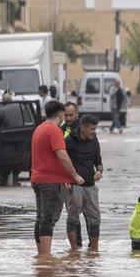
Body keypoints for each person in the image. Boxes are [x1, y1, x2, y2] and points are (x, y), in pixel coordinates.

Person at [30, 101, 84, 255]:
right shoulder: (54, 130)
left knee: (41, 218)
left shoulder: (39, 128)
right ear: (60, 114)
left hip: (37, 179)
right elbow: (62, 155)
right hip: (50, 181)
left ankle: (41, 255)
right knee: (48, 218)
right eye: (64, 114)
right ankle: (46, 257)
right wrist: (74, 175)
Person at [64, 114, 103, 251]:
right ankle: (74, 251)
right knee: (73, 218)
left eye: (95, 129)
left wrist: (99, 170)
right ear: (83, 128)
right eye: (91, 129)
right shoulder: (69, 141)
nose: (94, 132)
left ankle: (94, 251)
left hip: (91, 185)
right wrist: (65, 179)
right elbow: (62, 161)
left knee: (95, 218)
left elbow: (98, 159)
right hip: (74, 186)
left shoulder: (94, 139)